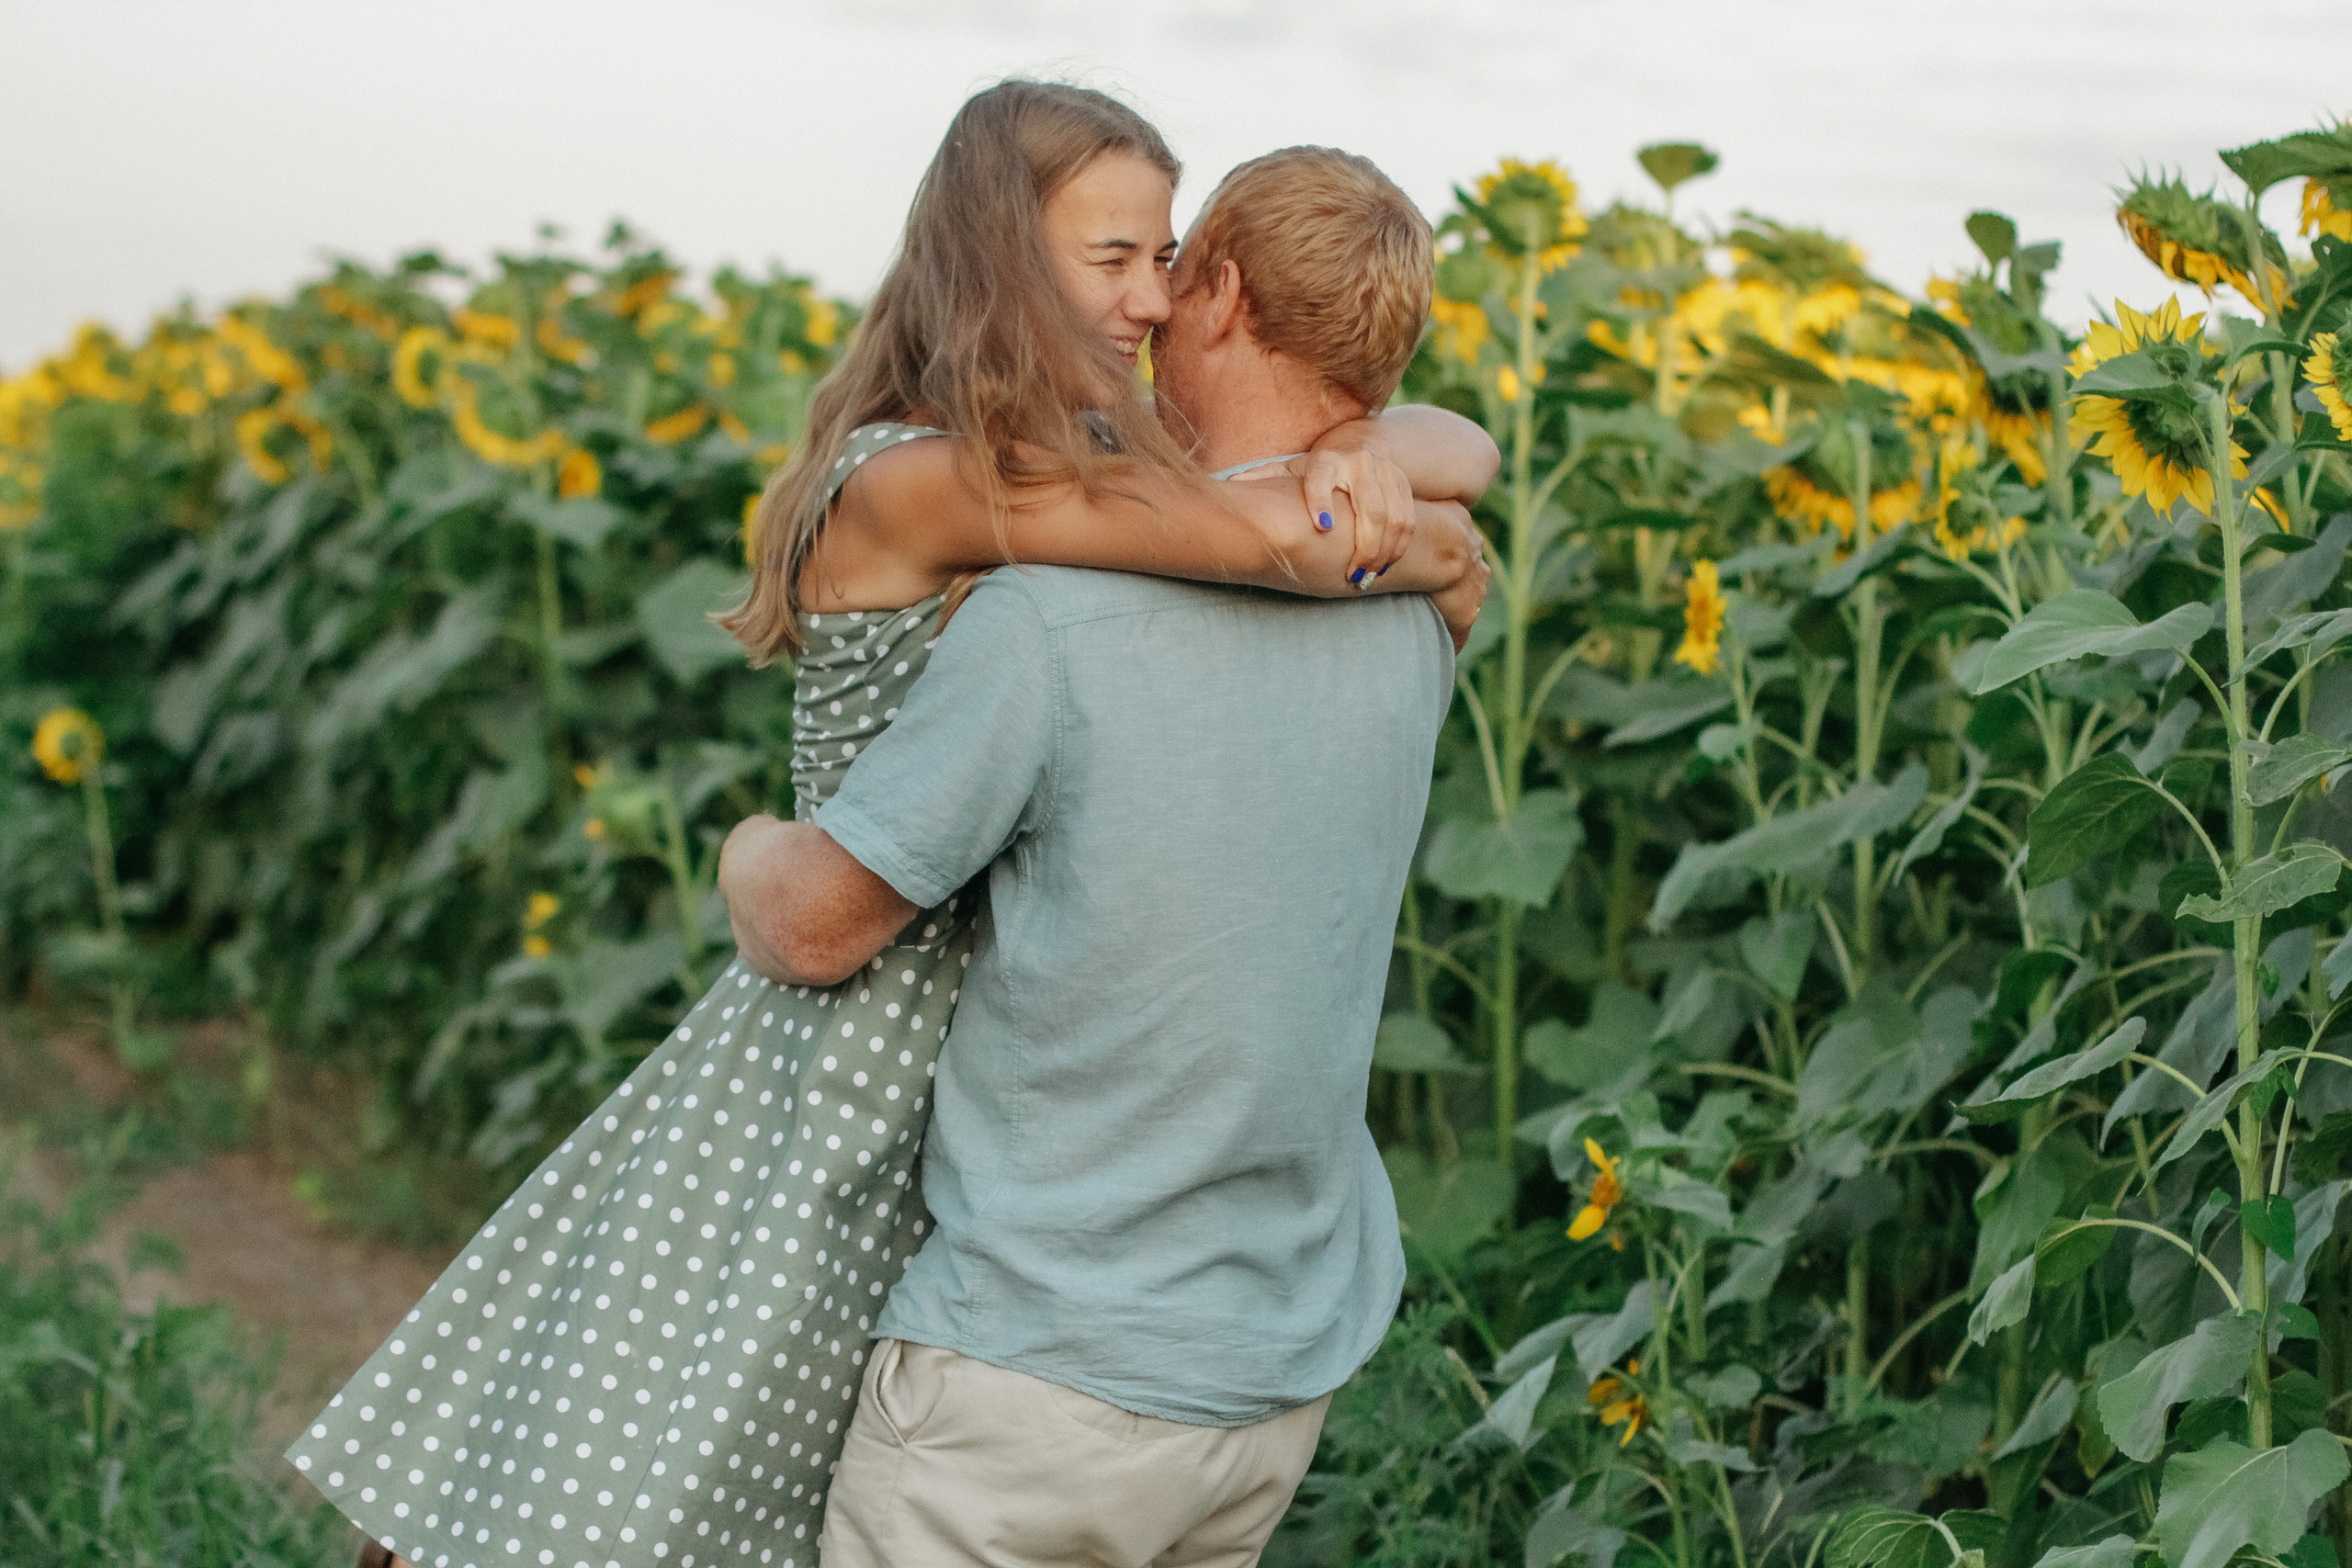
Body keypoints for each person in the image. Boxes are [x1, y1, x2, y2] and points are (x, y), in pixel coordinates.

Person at [290, 83, 1491, 1568]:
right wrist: (1393, 524)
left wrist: (1382, 464)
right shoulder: (936, 481)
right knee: (626, 1482)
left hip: (985, 1051)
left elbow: (1413, 451)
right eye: (1114, 257)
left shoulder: (1101, 461)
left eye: (1168, 258)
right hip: (853, 1047)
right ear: (999, 255)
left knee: (772, 1483)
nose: (1153, 297)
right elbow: (1254, 535)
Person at [718, 142, 1483, 1568]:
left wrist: (743, 852)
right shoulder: (1422, 598)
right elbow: (1442, 480)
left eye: (1171, 268)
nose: (1143, 307)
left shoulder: (1051, 620)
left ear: (1225, 292)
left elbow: (821, 926)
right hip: (1264, 1383)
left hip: (1034, 1380)